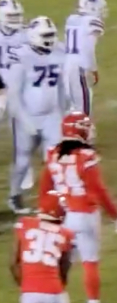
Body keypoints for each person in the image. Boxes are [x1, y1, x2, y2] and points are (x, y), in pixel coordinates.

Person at [39, 111, 117, 303]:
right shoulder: (86, 156)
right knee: (90, 262)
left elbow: (45, 187)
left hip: (64, 214)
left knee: (61, 264)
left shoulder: (53, 153)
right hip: (85, 213)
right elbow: (98, 189)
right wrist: (116, 215)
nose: (90, 130)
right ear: (78, 128)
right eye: (86, 126)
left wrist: (45, 213)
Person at [6, 16, 68, 214]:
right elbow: (14, 94)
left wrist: (64, 111)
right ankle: (14, 195)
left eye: (51, 35)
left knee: (56, 158)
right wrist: (24, 120)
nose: (50, 39)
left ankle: (56, 197)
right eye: (45, 36)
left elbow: (60, 87)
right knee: (23, 160)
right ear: (33, 36)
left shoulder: (59, 51)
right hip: (27, 114)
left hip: (51, 115)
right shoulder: (20, 56)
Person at [0, 0, 34, 192]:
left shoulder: (26, 33)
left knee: (21, 134)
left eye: (16, 16)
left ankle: (25, 171)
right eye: (10, 16)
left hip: (20, 87)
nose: (15, 20)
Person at [63, 0, 106, 117]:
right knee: (84, 109)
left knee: (70, 105)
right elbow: (89, 48)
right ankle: (82, 134)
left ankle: (67, 132)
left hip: (66, 64)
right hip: (80, 66)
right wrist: (93, 69)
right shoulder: (92, 22)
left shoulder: (71, 19)